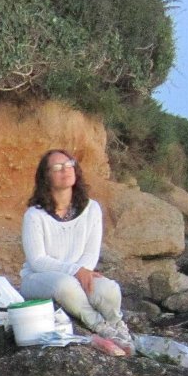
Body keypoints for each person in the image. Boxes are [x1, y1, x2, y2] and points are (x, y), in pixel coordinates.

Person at [19, 149, 132, 350]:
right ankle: (99, 326)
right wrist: (76, 272)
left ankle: (117, 326)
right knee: (65, 286)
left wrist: (82, 272)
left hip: (80, 273)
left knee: (109, 289)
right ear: (46, 177)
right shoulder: (34, 215)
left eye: (69, 164)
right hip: (39, 278)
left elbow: (90, 252)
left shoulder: (92, 209)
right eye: (58, 167)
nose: (66, 169)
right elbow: (37, 260)